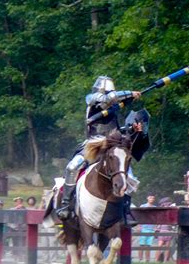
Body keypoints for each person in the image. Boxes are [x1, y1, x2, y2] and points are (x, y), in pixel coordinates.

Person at [56, 76, 150, 225]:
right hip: (93, 145)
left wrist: (132, 129)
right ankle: (66, 205)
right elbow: (108, 98)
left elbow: (117, 130)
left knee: (127, 175)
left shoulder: (113, 111)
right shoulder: (92, 100)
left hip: (112, 146)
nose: (112, 98)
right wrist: (130, 93)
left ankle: (125, 212)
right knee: (72, 167)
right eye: (109, 92)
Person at [154, 197, 175, 263]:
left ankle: (165, 260)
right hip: (162, 230)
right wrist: (157, 229)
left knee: (167, 247)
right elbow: (157, 222)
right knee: (159, 245)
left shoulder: (171, 211)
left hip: (169, 230)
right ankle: (156, 260)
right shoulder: (160, 212)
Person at [138, 194, 156, 262]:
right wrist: (139, 226)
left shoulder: (155, 207)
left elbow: (155, 218)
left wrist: (155, 227)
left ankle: (147, 259)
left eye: (153, 198)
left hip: (151, 228)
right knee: (141, 244)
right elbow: (139, 216)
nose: (152, 199)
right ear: (147, 198)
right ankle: (140, 258)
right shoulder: (143, 206)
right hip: (144, 227)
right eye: (150, 197)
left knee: (149, 245)